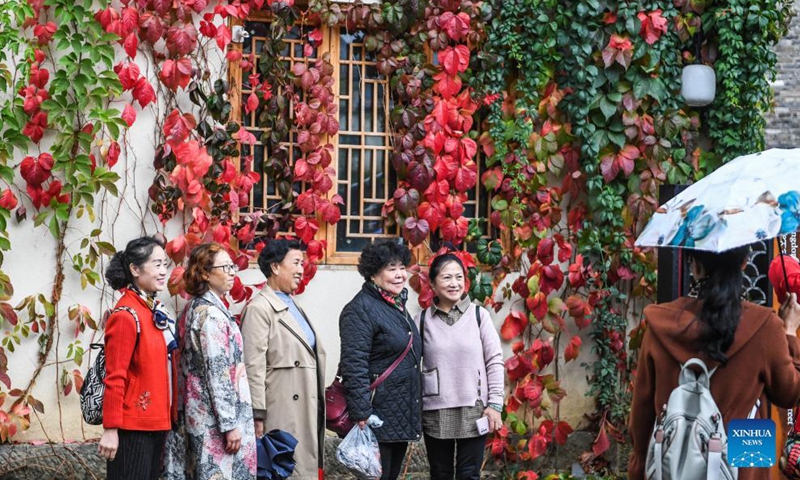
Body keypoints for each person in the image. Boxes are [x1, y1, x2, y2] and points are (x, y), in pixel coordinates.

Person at [628, 246, 800, 480]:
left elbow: (642, 417)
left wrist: (639, 468)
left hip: (675, 463)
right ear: (744, 263)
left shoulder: (660, 324)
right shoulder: (764, 326)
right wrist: (789, 332)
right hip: (745, 450)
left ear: (695, 265)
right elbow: (789, 394)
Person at [162, 243, 257, 480]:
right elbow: (217, 372)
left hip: (201, 412)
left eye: (232, 266)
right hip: (214, 421)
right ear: (205, 273)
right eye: (225, 267)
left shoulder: (196, 307)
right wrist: (229, 424)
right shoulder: (211, 315)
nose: (232, 272)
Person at [241, 239, 326, 480]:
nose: (301, 269)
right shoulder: (260, 308)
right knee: (287, 470)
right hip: (280, 409)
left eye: (303, 263)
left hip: (306, 403)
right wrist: (258, 414)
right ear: (275, 267)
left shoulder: (293, 305)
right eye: (296, 263)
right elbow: (253, 365)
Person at [413, 253, 504, 480]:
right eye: (446, 278)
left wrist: (495, 404)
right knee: (440, 474)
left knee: (469, 474)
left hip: (474, 408)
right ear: (433, 284)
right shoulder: (422, 321)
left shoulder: (479, 316)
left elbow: (494, 360)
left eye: (458, 277)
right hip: (435, 409)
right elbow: (411, 366)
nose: (454, 283)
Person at [339, 239, 422, 480]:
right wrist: (362, 412)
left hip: (400, 412)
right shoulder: (360, 309)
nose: (400, 275)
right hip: (375, 416)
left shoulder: (396, 305)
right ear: (373, 273)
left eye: (401, 267)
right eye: (391, 268)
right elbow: (354, 364)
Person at [99, 236, 177, 480]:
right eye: (156, 264)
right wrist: (111, 429)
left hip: (156, 422)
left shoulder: (153, 309)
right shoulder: (126, 315)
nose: (163, 271)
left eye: (165, 264)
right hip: (132, 426)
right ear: (135, 269)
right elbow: (115, 376)